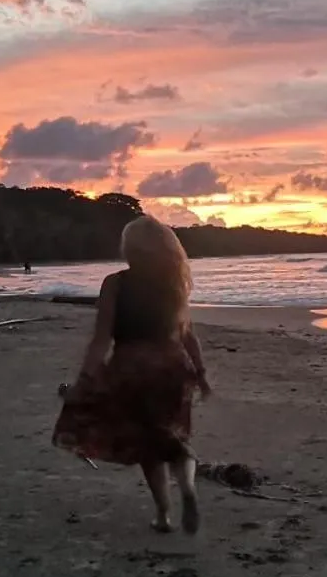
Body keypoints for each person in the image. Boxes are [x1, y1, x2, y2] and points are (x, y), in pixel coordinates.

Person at [52, 216, 211, 533]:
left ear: (130, 248)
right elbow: (187, 334)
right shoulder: (172, 284)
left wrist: (85, 379)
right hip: (174, 367)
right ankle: (188, 488)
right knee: (174, 438)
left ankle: (164, 515)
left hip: (132, 368)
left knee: (148, 446)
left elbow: (101, 338)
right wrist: (201, 373)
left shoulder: (115, 283)